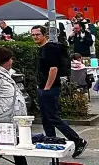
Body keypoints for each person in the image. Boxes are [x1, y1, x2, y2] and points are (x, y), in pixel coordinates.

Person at [31, 25, 88, 157]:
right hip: (43, 87)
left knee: (52, 117)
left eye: (37, 34)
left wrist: (46, 88)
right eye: (33, 35)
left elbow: (53, 69)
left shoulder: (49, 49)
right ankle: (51, 141)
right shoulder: (41, 49)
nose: (35, 37)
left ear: (44, 35)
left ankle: (78, 140)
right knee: (46, 118)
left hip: (50, 88)